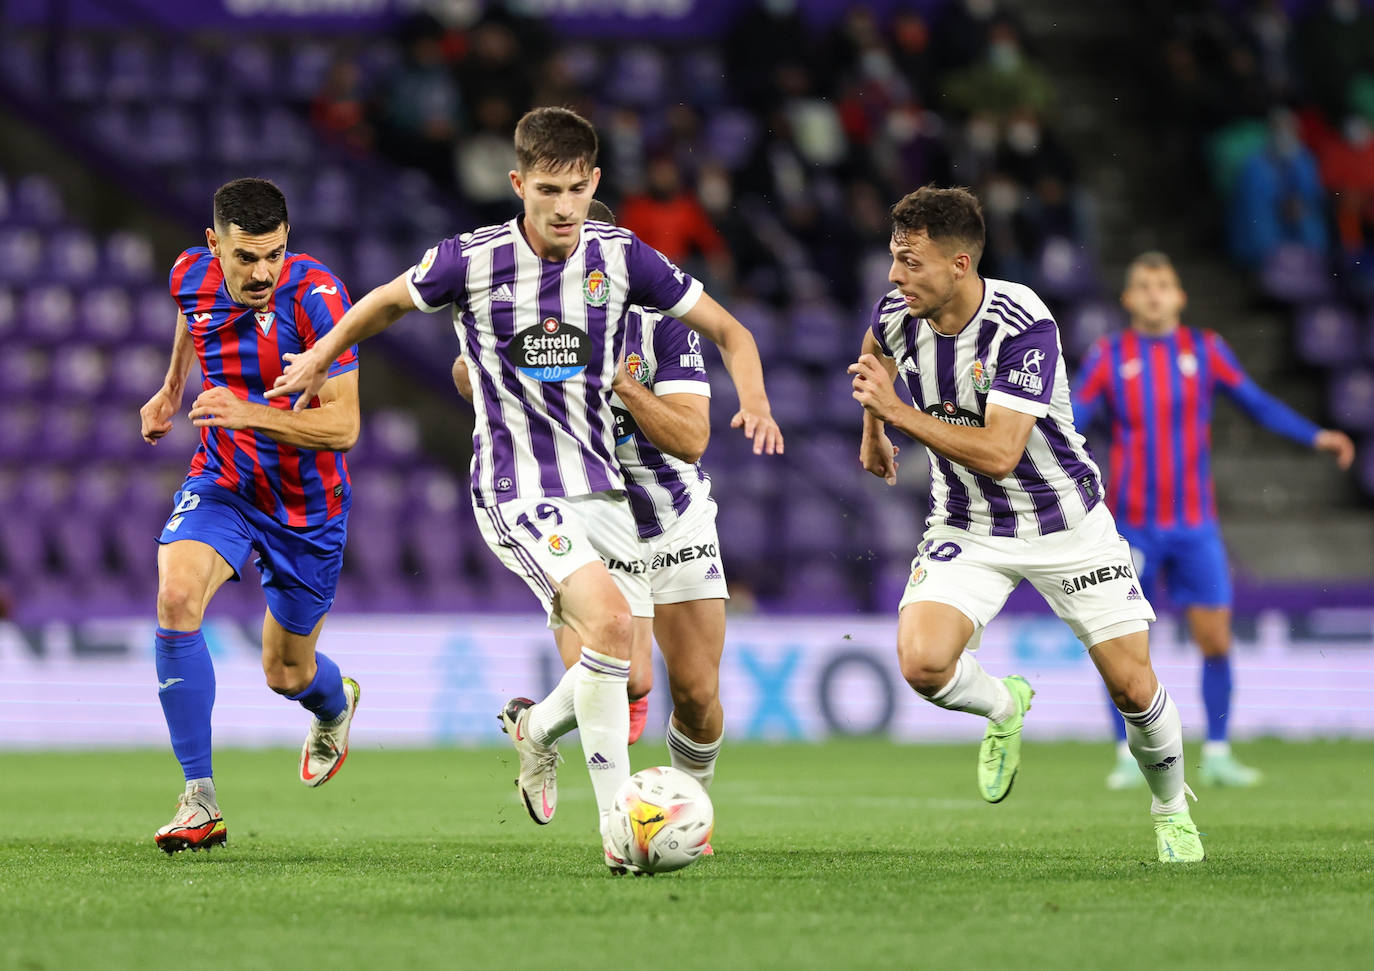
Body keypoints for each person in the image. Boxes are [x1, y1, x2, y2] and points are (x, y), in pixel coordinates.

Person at [267, 107, 781, 872]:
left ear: (596, 182)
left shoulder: (622, 256)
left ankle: (538, 731)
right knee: (608, 631)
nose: (566, 205)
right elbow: (383, 301)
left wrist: (757, 399)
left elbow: (732, 330)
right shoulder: (470, 260)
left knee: (631, 670)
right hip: (515, 488)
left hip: (605, 493)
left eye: (578, 188)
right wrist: (317, 357)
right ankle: (619, 828)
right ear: (518, 185)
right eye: (549, 189)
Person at [850, 185, 1204, 863]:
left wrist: (895, 414)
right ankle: (1004, 707)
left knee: (1133, 686)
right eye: (894, 258)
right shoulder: (899, 310)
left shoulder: (1022, 321)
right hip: (968, 523)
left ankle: (1169, 807)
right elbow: (876, 351)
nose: (895, 276)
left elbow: (1001, 451)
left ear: (960, 264)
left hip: (1065, 520)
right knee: (922, 663)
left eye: (911, 262)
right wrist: (873, 428)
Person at [453, 200, 729, 814]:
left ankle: (682, 812)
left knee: (698, 693)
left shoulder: (663, 323)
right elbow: (463, 373)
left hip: (671, 517)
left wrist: (621, 383)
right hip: (582, 516)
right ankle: (633, 819)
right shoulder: (531, 314)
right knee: (627, 677)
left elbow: (692, 440)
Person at [138, 178, 363, 854]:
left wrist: (251, 412)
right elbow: (191, 313)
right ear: (216, 246)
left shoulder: (319, 297)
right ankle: (198, 799)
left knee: (286, 674)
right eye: (246, 259)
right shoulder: (190, 273)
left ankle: (334, 704)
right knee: (176, 595)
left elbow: (346, 425)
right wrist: (172, 388)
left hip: (305, 506)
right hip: (226, 479)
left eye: (274, 255)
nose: (262, 272)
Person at [1073, 251, 1354, 789]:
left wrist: (1315, 435)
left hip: (1195, 526)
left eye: (1164, 284)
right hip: (1131, 527)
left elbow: (1256, 403)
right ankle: (1126, 755)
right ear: (1129, 299)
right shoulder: (1109, 356)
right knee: (1122, 647)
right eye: (1144, 285)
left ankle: (1219, 752)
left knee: (1217, 641)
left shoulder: (1204, 350)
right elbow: (1077, 420)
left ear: (1179, 296)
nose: (1155, 293)